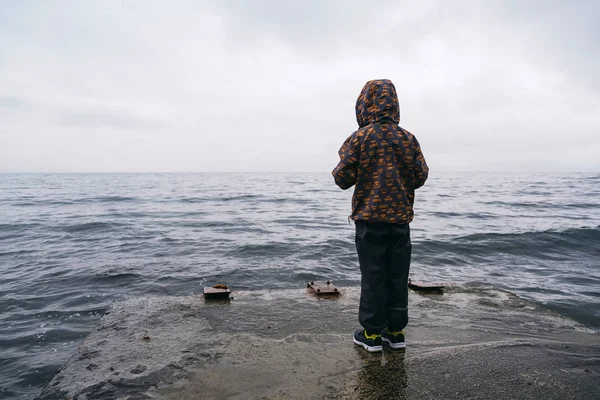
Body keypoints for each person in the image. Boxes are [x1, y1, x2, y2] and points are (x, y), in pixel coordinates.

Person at [332, 79, 428, 352]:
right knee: (397, 275)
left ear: (364, 106)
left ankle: (372, 335)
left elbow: (342, 178)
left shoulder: (360, 138)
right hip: (400, 221)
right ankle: (396, 333)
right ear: (394, 105)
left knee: (373, 275)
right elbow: (420, 176)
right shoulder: (408, 138)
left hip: (369, 221)